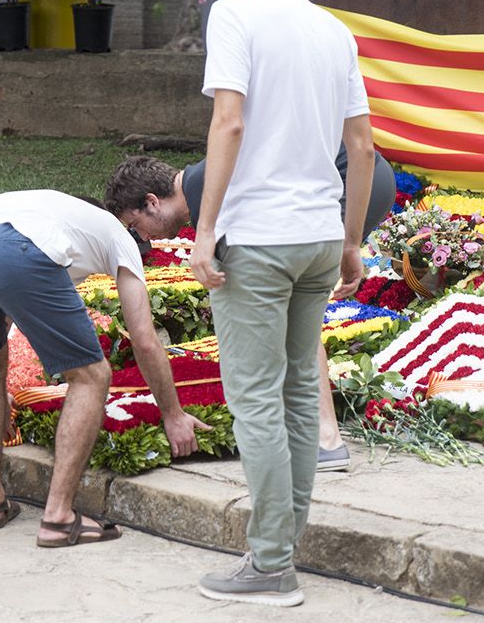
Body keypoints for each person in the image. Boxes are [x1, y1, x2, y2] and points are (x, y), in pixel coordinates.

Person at [184, 0, 374, 607]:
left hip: (258, 237)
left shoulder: (234, 17)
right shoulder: (334, 31)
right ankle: (282, 547)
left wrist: (204, 232)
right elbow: (363, 148)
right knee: (298, 392)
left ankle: (269, 566)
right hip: (320, 235)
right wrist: (351, 241)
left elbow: (228, 121)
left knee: (257, 399)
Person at [0, 190, 209, 545]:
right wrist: (173, 415)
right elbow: (144, 339)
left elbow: (0, 304)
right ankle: (59, 518)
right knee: (91, 376)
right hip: (18, 246)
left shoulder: (55, 213)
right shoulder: (118, 237)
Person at [105, 143, 393, 472]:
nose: (142, 236)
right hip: (362, 180)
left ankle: (322, 437)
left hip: (351, 184)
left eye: (134, 225)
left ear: (152, 202)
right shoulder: (202, 183)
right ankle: (311, 431)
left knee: (293, 311)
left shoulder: (205, 191)